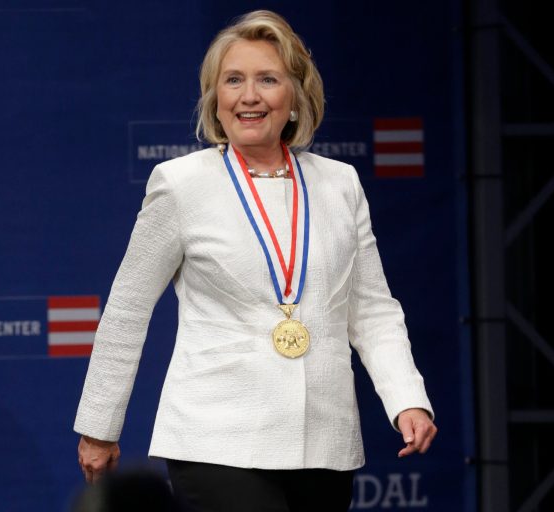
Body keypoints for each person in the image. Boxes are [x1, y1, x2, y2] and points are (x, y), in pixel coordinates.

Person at [75, 10, 437, 512]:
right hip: (216, 438)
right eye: (233, 81)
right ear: (215, 99)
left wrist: (406, 399)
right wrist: (99, 427)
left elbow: (372, 309)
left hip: (322, 443)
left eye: (267, 79)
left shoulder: (340, 185)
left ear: (294, 97)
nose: (249, 96)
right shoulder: (181, 184)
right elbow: (127, 310)